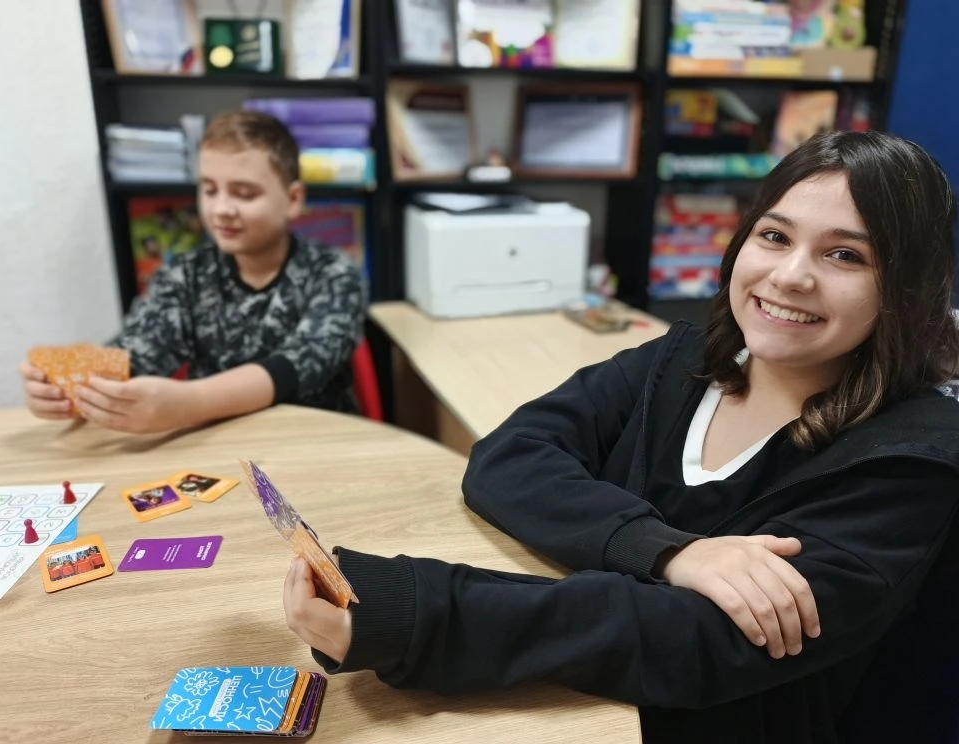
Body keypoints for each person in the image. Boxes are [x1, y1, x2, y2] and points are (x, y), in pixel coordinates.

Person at [280, 130, 959, 743]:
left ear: (906, 289)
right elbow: (509, 456)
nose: (789, 275)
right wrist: (669, 552)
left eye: (845, 255)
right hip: (572, 694)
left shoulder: (909, 462)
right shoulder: (681, 359)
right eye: (774, 236)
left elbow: (696, 640)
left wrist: (416, 617)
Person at [18, 110, 366, 434]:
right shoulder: (186, 276)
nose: (221, 209)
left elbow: (295, 367)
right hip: (215, 445)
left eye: (244, 194)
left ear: (293, 200)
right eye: (209, 190)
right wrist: (65, 384)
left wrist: (188, 403)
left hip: (314, 441)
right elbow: (134, 354)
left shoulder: (334, 275)